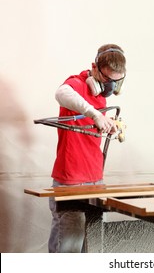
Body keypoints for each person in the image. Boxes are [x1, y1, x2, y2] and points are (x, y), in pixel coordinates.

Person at [48, 44, 126, 253]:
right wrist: (95, 114)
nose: (110, 86)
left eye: (117, 81)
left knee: (89, 244)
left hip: (94, 177)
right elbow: (61, 93)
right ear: (94, 67)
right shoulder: (76, 85)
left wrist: (106, 125)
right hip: (71, 178)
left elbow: (92, 125)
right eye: (108, 80)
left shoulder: (100, 97)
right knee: (68, 246)